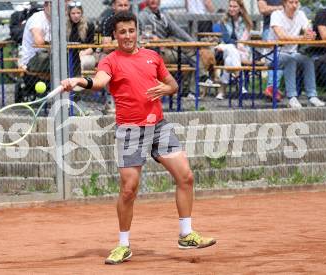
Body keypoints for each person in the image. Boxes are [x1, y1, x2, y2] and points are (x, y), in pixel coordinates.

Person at [60, 11, 216, 265]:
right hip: (131, 131)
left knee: (186, 176)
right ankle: (123, 245)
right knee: (129, 190)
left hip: (159, 127)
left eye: (131, 31)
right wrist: (79, 81)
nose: (128, 36)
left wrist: (167, 88)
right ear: (115, 35)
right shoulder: (110, 61)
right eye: (122, 32)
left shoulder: (152, 57)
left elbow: (173, 84)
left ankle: (186, 234)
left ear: (136, 31)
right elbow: (99, 82)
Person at [139, 0, 217, 95]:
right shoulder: (143, 15)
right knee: (191, 58)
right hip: (156, 52)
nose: (153, 1)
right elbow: (143, 34)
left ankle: (192, 88)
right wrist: (153, 37)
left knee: (192, 56)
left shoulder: (164, 15)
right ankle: (196, 83)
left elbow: (178, 30)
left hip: (169, 48)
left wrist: (193, 42)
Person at [269, 0, 325, 108]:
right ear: (284, 3)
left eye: (296, 2)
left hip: (293, 52)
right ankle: (292, 98)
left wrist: (310, 34)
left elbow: (308, 30)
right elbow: (282, 36)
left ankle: (312, 96)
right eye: (291, 2)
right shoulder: (276, 15)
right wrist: (302, 38)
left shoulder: (301, 14)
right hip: (274, 54)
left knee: (307, 59)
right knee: (290, 60)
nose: (294, 5)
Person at [214, 0, 253, 100]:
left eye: (235, 7)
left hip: (243, 51)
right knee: (231, 49)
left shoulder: (246, 22)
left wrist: (237, 44)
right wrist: (236, 44)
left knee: (229, 59)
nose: (231, 9)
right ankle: (240, 82)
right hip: (228, 49)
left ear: (240, 8)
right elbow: (226, 39)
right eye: (230, 6)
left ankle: (222, 91)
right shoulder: (224, 21)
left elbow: (243, 41)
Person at [257, 0, 284, 101]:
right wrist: (281, 8)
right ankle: (272, 88)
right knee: (274, 58)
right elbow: (263, 9)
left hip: (285, 29)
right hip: (269, 29)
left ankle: (271, 89)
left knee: (282, 57)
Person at [66, 1, 96, 76]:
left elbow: (95, 44)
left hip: (84, 53)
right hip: (68, 53)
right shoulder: (64, 25)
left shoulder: (89, 24)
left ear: (81, 13)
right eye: (73, 13)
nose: (76, 16)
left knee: (84, 60)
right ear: (69, 14)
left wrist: (86, 52)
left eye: (78, 13)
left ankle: (83, 83)